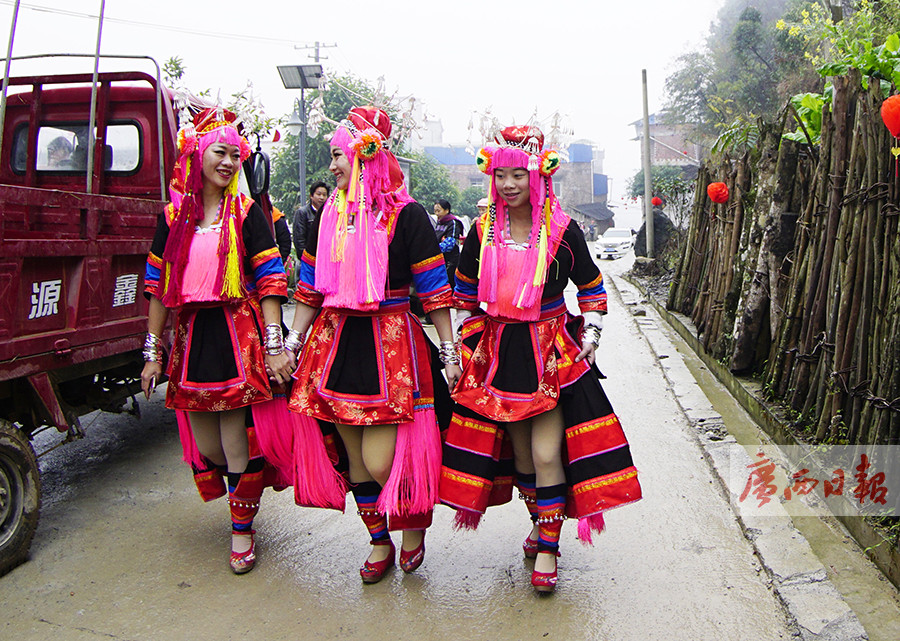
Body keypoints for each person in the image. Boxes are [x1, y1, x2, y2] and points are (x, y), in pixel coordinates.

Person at [439, 125, 642, 593]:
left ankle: (549, 545)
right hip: (500, 353)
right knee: (524, 459)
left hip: (549, 350)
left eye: (517, 175)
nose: (508, 185)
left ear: (536, 176)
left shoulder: (564, 231)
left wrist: (591, 332)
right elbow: (465, 293)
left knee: (547, 452)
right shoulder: (483, 228)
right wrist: (470, 342)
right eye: (501, 175)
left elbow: (590, 286)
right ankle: (541, 522)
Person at [285, 107, 461, 583]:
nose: (334, 166)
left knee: (382, 461)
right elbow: (308, 287)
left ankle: (411, 522)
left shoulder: (406, 215)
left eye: (339, 156)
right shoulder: (327, 216)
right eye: (332, 157)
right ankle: (379, 539)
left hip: (390, 344)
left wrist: (449, 351)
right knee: (355, 461)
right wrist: (292, 343)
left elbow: (434, 289)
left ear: (367, 156)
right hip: (337, 345)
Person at [140, 107, 293, 575]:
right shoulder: (172, 217)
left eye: (234, 154)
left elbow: (270, 280)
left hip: (235, 334)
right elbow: (157, 286)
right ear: (197, 154)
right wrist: (152, 353)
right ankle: (240, 504)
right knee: (207, 449)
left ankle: (242, 530)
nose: (228, 162)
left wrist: (272, 344)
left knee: (234, 446)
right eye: (219, 153)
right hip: (191, 341)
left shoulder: (247, 213)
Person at [292, 180, 330, 259]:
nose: (321, 197)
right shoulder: (302, 213)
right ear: (311, 196)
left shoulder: (329, 213)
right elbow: (299, 240)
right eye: (318, 194)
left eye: (324, 195)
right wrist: (305, 259)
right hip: (308, 260)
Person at [433, 199, 464, 288]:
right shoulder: (439, 223)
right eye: (435, 211)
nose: (437, 214)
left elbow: (450, 243)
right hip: (440, 258)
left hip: (451, 259)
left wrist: (434, 248)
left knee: (450, 282)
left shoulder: (453, 223)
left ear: (446, 210)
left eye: (439, 211)